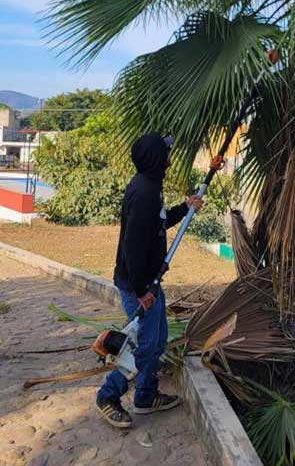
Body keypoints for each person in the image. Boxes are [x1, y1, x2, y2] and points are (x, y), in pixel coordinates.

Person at [95, 133, 203, 428]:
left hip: (148, 281)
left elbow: (160, 220)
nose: (170, 157)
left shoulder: (150, 187)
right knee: (144, 346)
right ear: (158, 159)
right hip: (138, 285)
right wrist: (142, 290)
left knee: (155, 342)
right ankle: (108, 395)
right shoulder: (143, 192)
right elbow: (132, 247)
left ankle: (145, 396)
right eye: (166, 152)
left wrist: (186, 207)